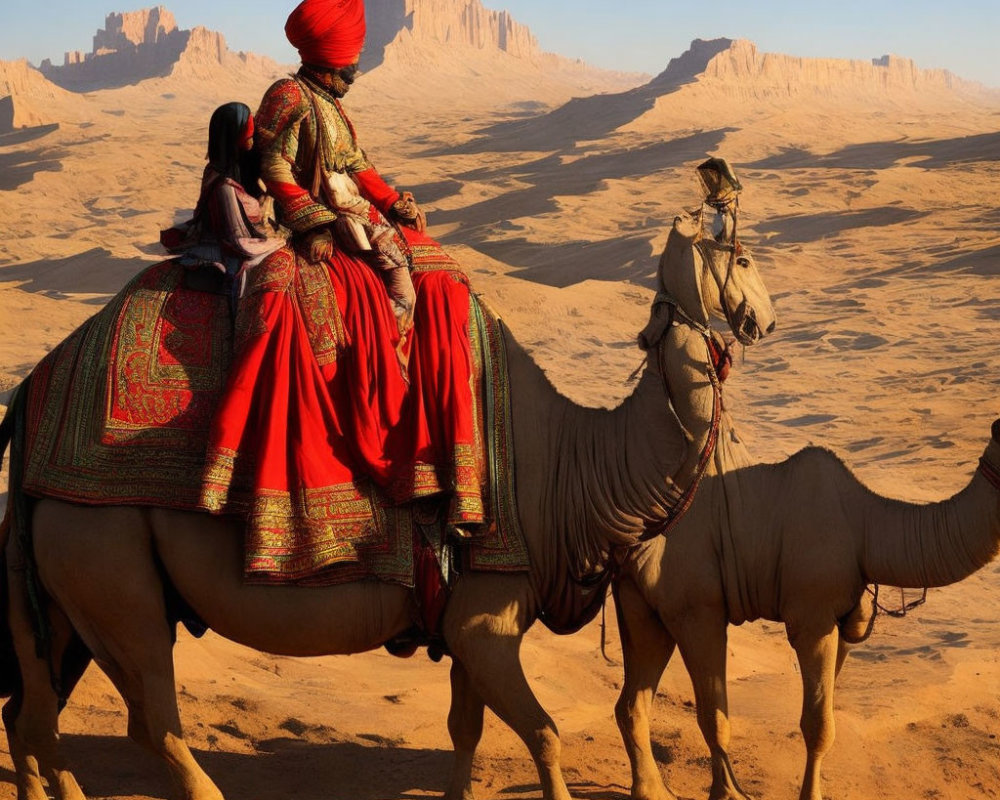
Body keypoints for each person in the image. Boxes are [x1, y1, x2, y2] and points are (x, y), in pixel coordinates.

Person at [197, 0, 486, 583]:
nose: (353, 73)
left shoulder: (329, 104)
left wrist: (393, 199)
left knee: (436, 277)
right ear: (324, 63)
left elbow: (358, 165)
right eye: (348, 64)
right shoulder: (286, 96)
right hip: (324, 222)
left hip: (350, 212)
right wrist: (310, 221)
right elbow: (274, 163)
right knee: (360, 294)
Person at [161, 102, 285, 310]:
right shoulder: (225, 187)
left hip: (237, 241)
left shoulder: (223, 169)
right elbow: (238, 242)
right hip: (227, 252)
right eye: (249, 134)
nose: (252, 139)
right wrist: (280, 241)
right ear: (235, 136)